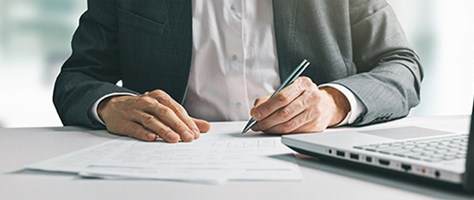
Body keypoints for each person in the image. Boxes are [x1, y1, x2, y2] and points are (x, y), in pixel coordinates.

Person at [53, 0, 423, 143]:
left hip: (312, 164)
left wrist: (331, 104)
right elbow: (77, 78)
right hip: (163, 165)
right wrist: (111, 105)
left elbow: (402, 67)